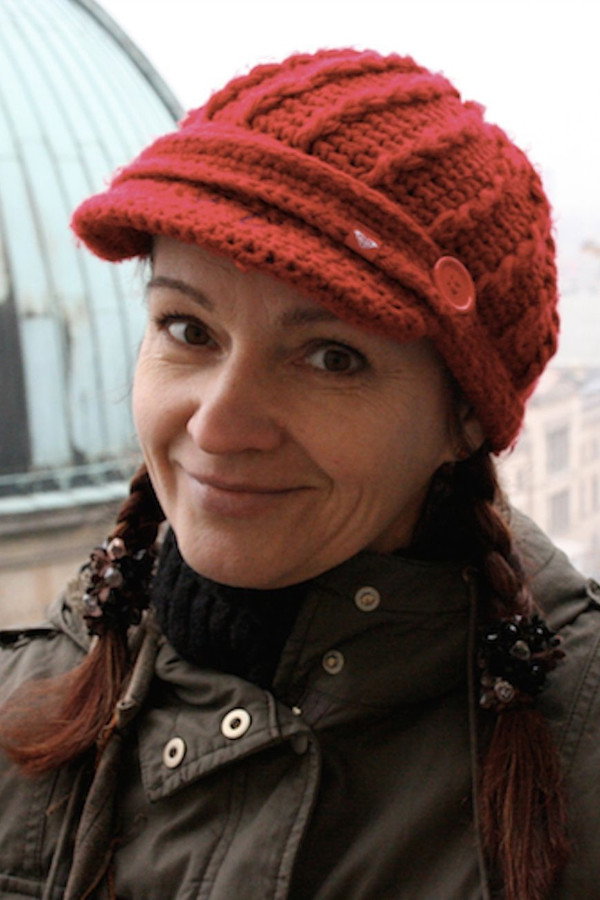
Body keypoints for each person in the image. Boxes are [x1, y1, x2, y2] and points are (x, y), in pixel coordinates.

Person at [0, 48, 599, 900]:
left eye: (331, 357)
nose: (217, 425)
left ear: (464, 418)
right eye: (188, 329)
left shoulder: (581, 755)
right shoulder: (21, 706)